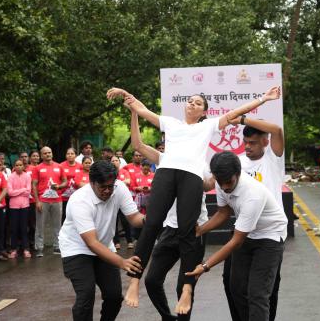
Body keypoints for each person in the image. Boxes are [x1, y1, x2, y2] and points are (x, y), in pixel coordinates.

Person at [107, 85, 281, 313]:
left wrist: (263, 98)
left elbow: (235, 113)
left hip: (190, 177)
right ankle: (135, 280)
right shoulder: (170, 124)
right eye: (190, 101)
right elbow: (141, 110)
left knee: (189, 231)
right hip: (168, 172)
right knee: (151, 224)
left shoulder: (207, 127)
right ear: (185, 106)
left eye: (199, 103)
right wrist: (125, 94)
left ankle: (187, 288)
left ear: (204, 112)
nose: (193, 104)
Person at [129, 109, 210, 320]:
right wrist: (134, 112)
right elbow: (137, 145)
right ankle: (167, 317)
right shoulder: (164, 159)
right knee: (152, 280)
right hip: (169, 231)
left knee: (182, 287)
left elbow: (211, 183)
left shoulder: (202, 165)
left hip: (192, 231)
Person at [186, 151, 287, 321]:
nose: (225, 187)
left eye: (229, 182)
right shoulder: (222, 180)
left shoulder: (253, 194)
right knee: (236, 288)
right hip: (248, 232)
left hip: (270, 236)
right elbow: (223, 212)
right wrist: (199, 230)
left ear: (238, 174)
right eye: (220, 182)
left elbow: (235, 242)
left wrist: (204, 266)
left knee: (257, 294)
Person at [58, 160, 145, 321]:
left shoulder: (119, 188)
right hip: (76, 248)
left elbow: (134, 217)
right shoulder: (80, 200)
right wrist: (122, 262)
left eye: (110, 186)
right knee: (86, 294)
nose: (107, 191)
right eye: (102, 187)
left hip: (104, 246)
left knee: (113, 296)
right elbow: (91, 243)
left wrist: (149, 220)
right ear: (92, 183)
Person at [223, 116, 285, 321]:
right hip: (243, 232)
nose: (247, 147)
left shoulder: (273, 158)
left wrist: (242, 119)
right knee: (233, 284)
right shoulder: (238, 163)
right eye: (245, 142)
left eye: (253, 142)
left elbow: (276, 129)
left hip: (270, 234)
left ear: (265, 141)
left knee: (266, 289)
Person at [32, 146, 67, 257]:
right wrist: (37, 201)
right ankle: (39, 248)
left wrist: (59, 186)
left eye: (49, 152)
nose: (48, 154)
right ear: (41, 155)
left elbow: (65, 181)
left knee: (57, 225)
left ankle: (57, 246)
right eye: (45, 153)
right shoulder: (37, 168)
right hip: (43, 200)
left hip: (57, 200)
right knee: (40, 225)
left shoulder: (59, 166)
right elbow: (34, 185)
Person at [7, 159, 32, 258]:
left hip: (25, 205)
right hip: (13, 206)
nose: (18, 167)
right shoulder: (11, 177)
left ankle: (26, 249)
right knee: (14, 228)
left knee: (24, 228)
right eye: (17, 165)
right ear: (14, 166)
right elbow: (10, 193)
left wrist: (17, 191)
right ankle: (14, 249)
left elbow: (28, 191)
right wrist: (22, 190)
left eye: (20, 165)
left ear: (23, 166)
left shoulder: (27, 176)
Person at [111, 156, 134, 250]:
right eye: (112, 161)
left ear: (119, 162)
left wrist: (117, 183)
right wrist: (122, 182)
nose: (114, 162)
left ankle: (129, 241)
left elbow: (128, 181)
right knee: (114, 221)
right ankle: (116, 242)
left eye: (116, 160)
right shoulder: (109, 172)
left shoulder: (124, 171)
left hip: (123, 200)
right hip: (112, 200)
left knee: (125, 221)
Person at [60, 148, 83, 224]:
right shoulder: (61, 166)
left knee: (76, 214)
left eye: (72, 154)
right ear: (66, 155)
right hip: (64, 195)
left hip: (77, 195)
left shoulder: (80, 166)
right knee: (64, 214)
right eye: (68, 154)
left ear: (75, 155)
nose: (70, 155)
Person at [26, 150, 40, 250]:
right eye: (33, 156)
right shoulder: (24, 168)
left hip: (35, 199)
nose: (35, 158)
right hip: (25, 199)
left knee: (34, 223)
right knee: (25, 223)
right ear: (30, 158)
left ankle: (33, 242)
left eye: (37, 156)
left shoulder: (40, 168)